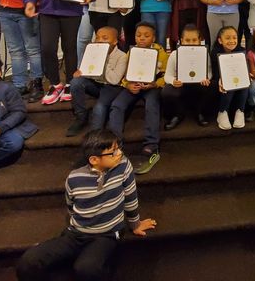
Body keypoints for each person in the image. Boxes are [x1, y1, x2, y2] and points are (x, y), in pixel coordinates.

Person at [16, 129, 157, 281]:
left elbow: (131, 197)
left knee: (86, 268)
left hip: (106, 235)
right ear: (94, 159)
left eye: (119, 148)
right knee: (28, 261)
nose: (120, 154)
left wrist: (135, 224)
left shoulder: (123, 166)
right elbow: (71, 206)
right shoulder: (74, 178)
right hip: (75, 234)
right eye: (113, 152)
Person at [109, 22, 168, 175]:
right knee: (117, 105)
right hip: (132, 86)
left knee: (152, 105)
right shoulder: (131, 52)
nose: (141, 38)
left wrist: (155, 84)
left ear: (153, 38)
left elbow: (166, 75)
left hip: (151, 87)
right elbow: (123, 74)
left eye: (146, 36)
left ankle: (151, 144)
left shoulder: (161, 53)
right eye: (138, 35)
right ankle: (115, 145)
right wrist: (128, 85)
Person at [66, 27, 127, 137]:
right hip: (96, 84)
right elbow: (87, 72)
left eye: (105, 38)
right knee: (76, 82)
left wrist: (102, 60)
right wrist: (80, 72)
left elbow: (115, 80)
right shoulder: (92, 52)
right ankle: (81, 116)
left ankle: (95, 137)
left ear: (115, 41)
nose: (99, 41)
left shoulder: (122, 56)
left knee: (99, 107)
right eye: (97, 38)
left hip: (112, 87)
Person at [162, 24, 214, 130]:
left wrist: (206, 78)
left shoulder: (205, 53)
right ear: (182, 40)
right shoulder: (174, 54)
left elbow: (209, 72)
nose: (191, 43)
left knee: (213, 87)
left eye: (194, 40)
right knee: (166, 91)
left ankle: (199, 112)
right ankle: (178, 114)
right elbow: (167, 75)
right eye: (187, 40)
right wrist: (173, 81)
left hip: (198, 84)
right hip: (180, 85)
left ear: (199, 40)